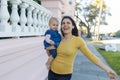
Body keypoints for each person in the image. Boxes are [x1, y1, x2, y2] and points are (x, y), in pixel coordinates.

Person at [47, 16, 118, 80]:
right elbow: (52, 53)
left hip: (64, 76)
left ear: (73, 26)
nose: (65, 25)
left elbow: (91, 56)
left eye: (68, 23)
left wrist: (107, 69)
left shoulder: (78, 40)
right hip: (52, 72)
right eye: (63, 23)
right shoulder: (58, 39)